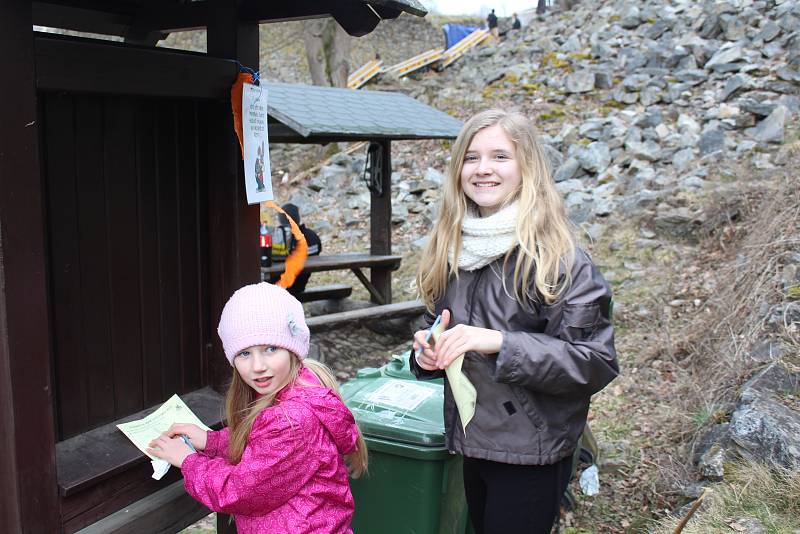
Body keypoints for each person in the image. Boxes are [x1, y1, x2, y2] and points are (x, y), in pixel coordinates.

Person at [410, 109, 618, 534]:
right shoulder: (453, 248)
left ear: (527, 168)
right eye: (471, 157)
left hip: (533, 450)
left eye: (500, 157)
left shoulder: (560, 259)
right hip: (472, 439)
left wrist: (500, 343)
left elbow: (593, 361)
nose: (483, 169)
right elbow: (439, 325)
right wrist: (426, 355)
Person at [148, 282, 367, 534]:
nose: (258, 366)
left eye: (270, 348)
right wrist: (212, 441)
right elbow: (264, 446)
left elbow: (239, 492)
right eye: (244, 354)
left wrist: (188, 461)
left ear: (293, 349)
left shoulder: (291, 420)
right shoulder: (300, 388)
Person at [270, 202, 322, 297]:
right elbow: (318, 250)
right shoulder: (312, 236)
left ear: (281, 220)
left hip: (280, 287)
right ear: (298, 218)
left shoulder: (277, 237)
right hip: (300, 286)